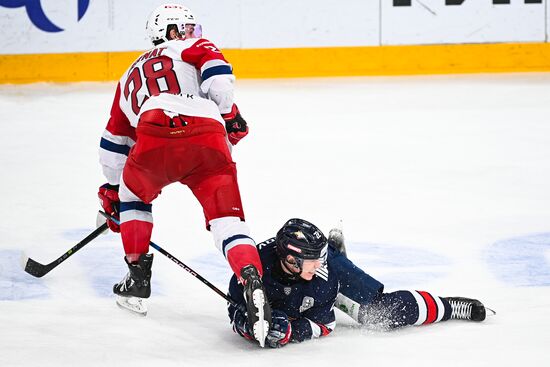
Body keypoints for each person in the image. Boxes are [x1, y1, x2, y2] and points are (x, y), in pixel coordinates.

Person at [97, 3, 271, 345]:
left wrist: (114, 189)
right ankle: (251, 278)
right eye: (189, 28)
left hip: (153, 136)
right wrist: (228, 114)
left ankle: (137, 280)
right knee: (229, 222)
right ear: (172, 31)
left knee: (134, 198)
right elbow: (218, 74)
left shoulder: (128, 74)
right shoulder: (190, 47)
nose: (195, 34)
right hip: (206, 137)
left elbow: (114, 142)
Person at [228, 218, 492, 348]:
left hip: (333, 281)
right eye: (313, 258)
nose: (319, 264)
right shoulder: (252, 271)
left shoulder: (323, 275)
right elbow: (236, 308)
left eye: (321, 256)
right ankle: (335, 251)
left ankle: (449, 307)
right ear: (291, 260)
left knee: (378, 313)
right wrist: (247, 325)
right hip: (295, 291)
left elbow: (326, 324)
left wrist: (293, 332)